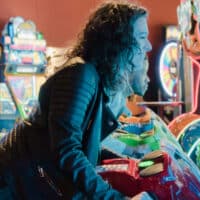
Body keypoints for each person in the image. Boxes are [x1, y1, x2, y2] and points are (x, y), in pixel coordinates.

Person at [0, 0, 152, 199]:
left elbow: (85, 148)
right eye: (142, 37)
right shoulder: (81, 75)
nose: (148, 45)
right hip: (11, 182)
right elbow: (66, 150)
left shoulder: (93, 79)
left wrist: (134, 163)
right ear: (118, 42)